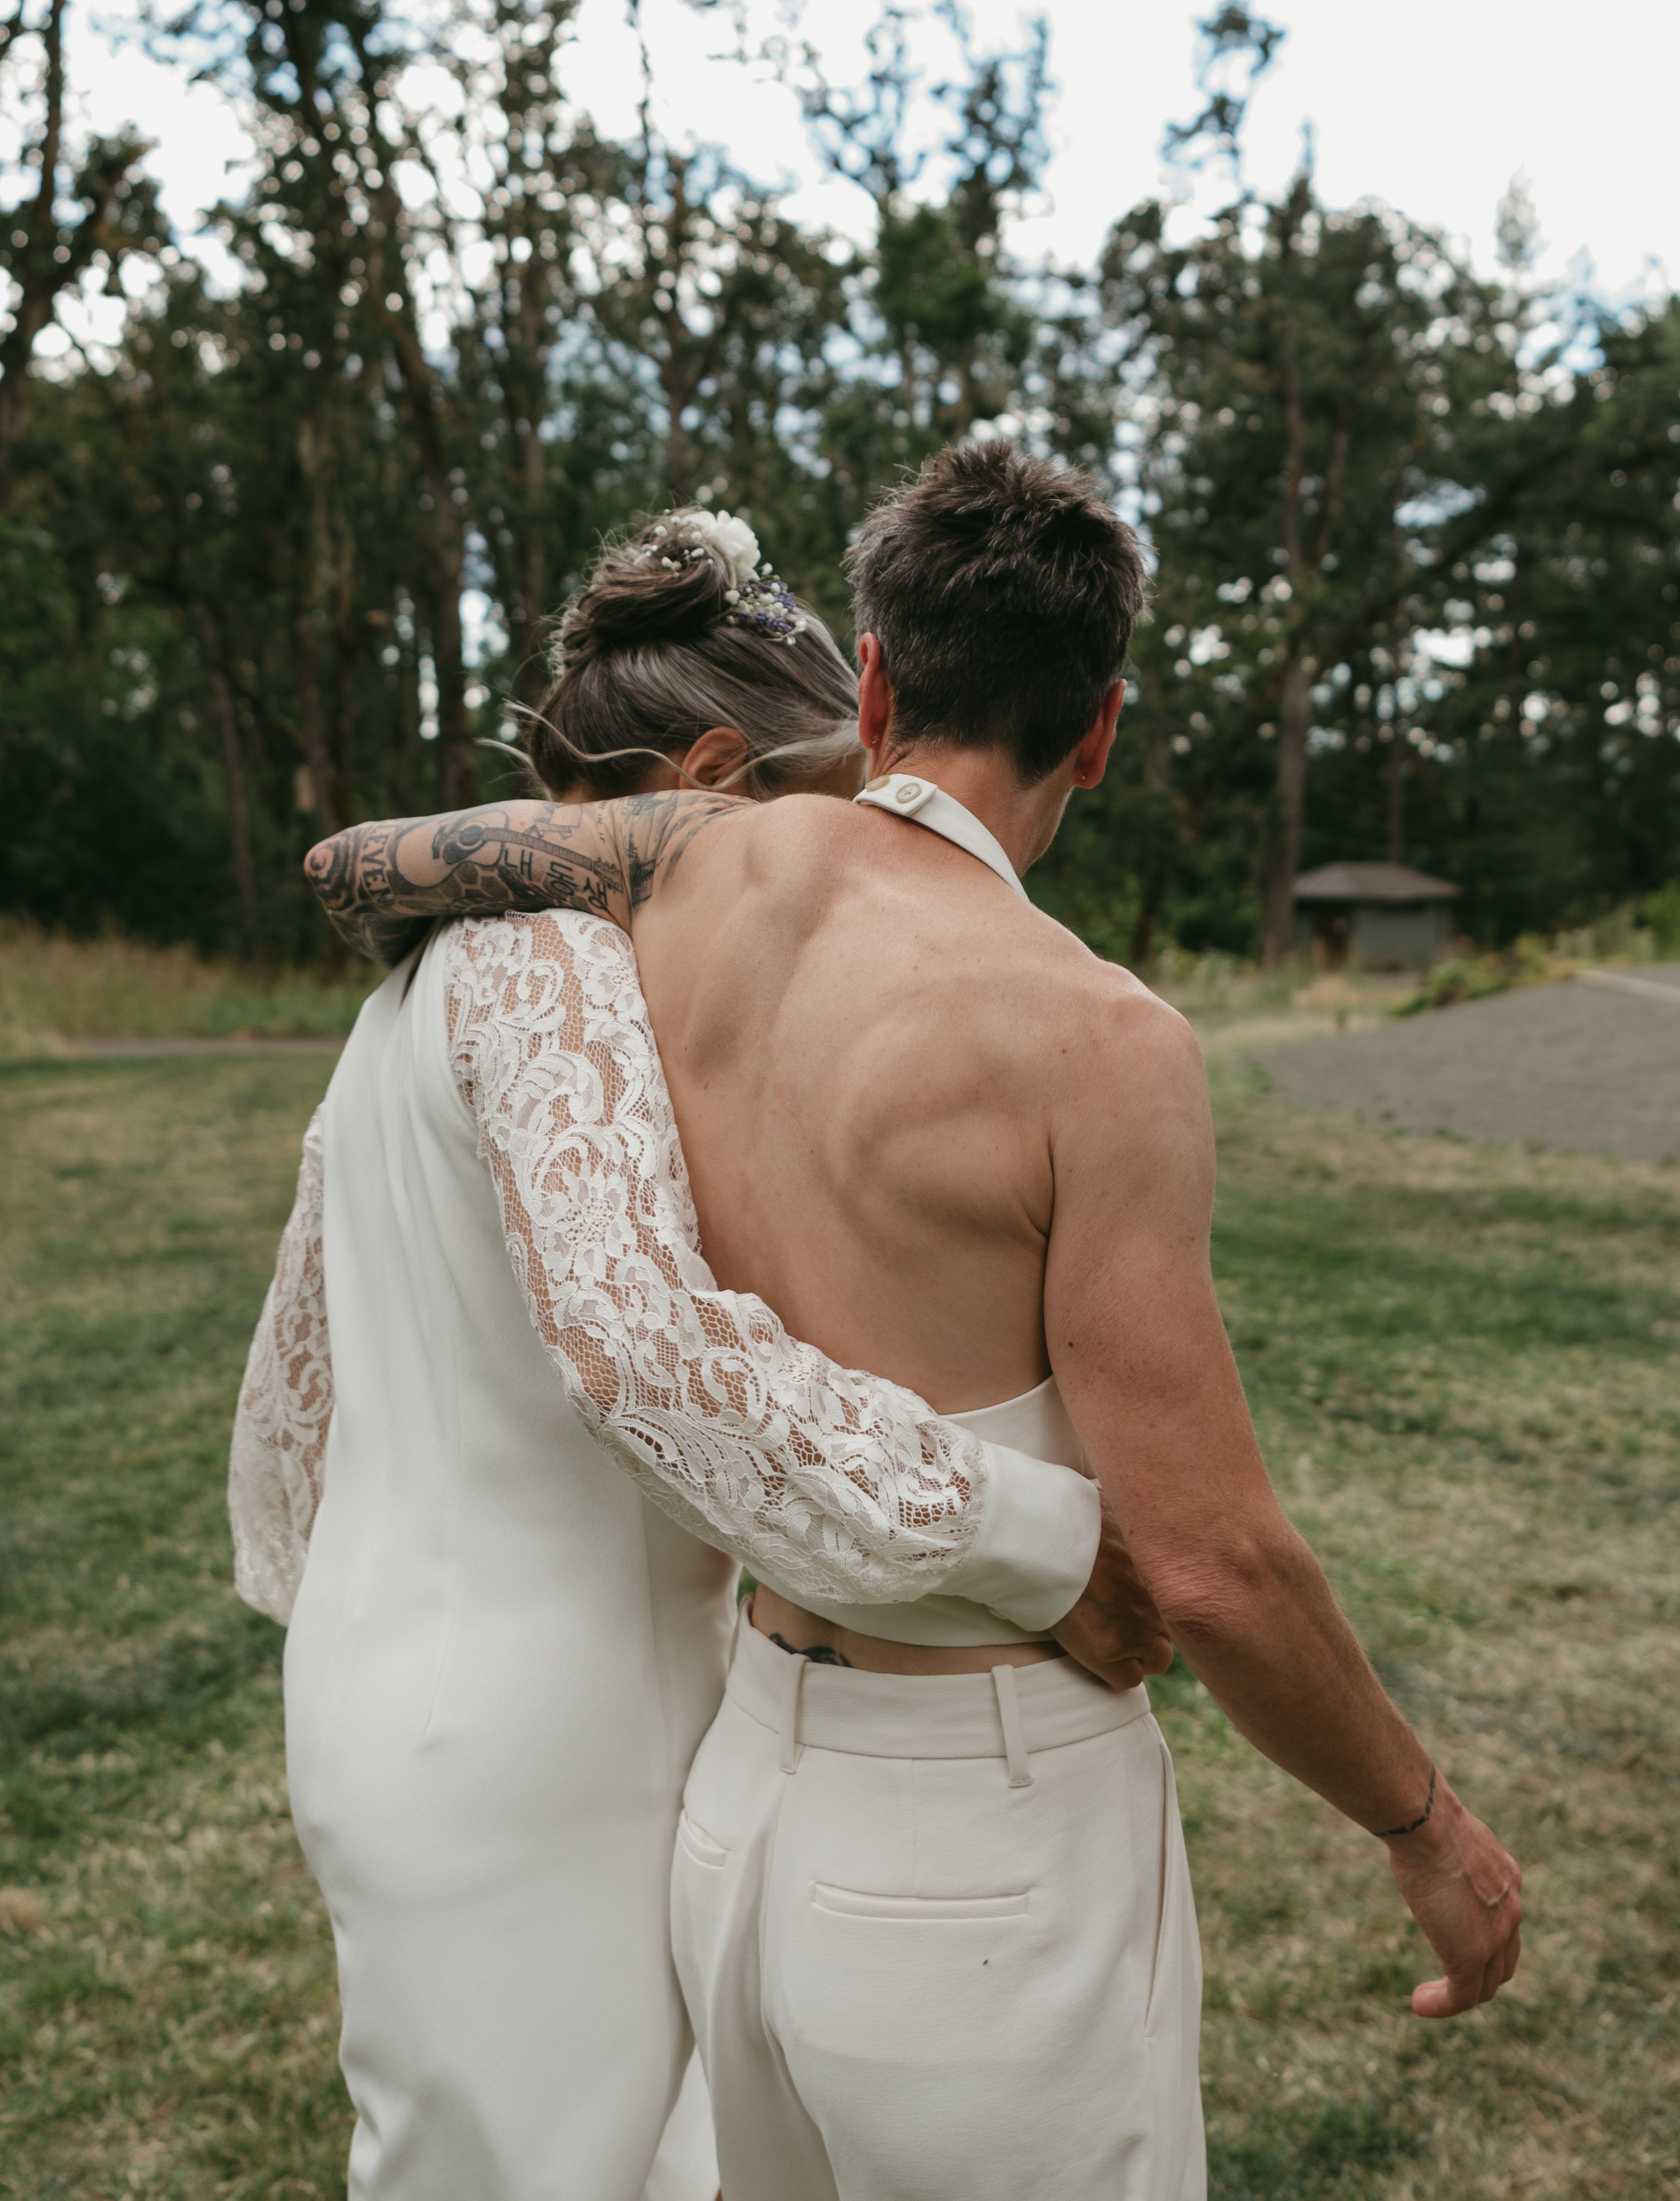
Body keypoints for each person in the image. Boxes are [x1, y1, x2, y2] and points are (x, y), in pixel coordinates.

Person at [310, 443, 1524, 2201]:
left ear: (873, 683)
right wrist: (1426, 1826)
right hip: (987, 1836)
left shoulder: (686, 879)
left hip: (741, 1810)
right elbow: (1210, 1570)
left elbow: (382, 856)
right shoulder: (1102, 1037)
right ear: (1099, 731)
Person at [233, 507, 1164, 2201]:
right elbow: (640, 1354)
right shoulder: (554, 967)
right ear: (716, 782)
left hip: (394, 1685)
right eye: (826, 818)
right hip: (550, 1729)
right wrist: (1037, 1535)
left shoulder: (405, 994)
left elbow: (311, 1357)